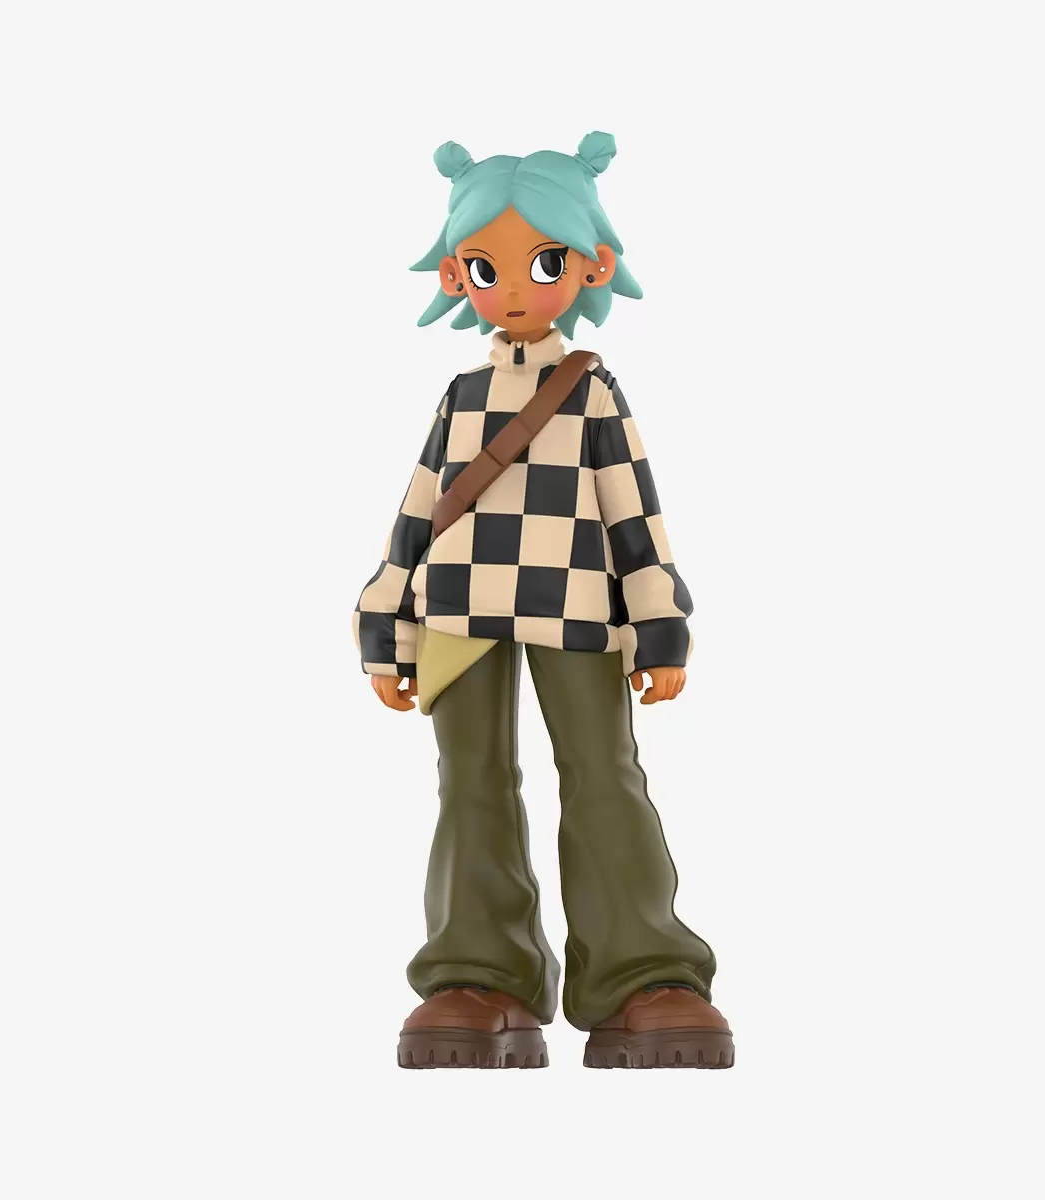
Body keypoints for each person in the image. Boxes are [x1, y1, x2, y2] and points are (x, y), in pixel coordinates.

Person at [354, 133, 733, 1068]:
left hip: (576, 601)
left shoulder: (590, 391)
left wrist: (658, 623)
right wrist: (386, 622)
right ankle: (478, 972)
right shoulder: (461, 395)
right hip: (457, 610)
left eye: (546, 262)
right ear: (457, 274)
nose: (518, 288)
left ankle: (644, 970)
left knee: (603, 775)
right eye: (488, 268)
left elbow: (633, 511)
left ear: (592, 266)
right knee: (470, 783)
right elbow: (419, 510)